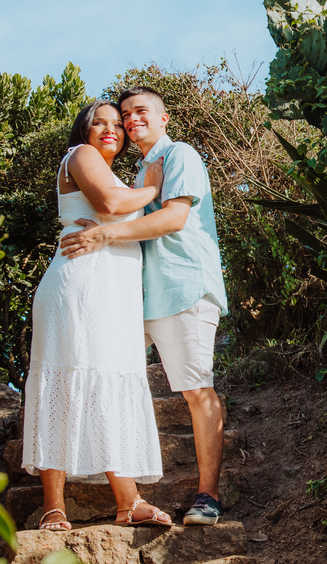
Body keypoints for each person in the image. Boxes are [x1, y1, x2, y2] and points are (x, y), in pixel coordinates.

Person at [60, 85, 229, 526]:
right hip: (136, 296)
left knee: (196, 389)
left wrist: (103, 233)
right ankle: (127, 499)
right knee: (108, 378)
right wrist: (100, 223)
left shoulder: (179, 155)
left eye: (140, 112)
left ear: (163, 117)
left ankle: (207, 497)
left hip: (182, 287)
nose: (131, 120)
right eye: (125, 115)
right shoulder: (138, 173)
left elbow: (174, 217)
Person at [21, 99, 173, 531]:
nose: (111, 129)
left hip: (111, 292)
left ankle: (129, 502)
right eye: (99, 122)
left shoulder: (112, 172)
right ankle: (54, 506)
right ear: (84, 130)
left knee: (108, 382)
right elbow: (109, 202)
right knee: (65, 380)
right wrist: (153, 188)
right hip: (80, 285)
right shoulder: (82, 155)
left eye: (117, 124)